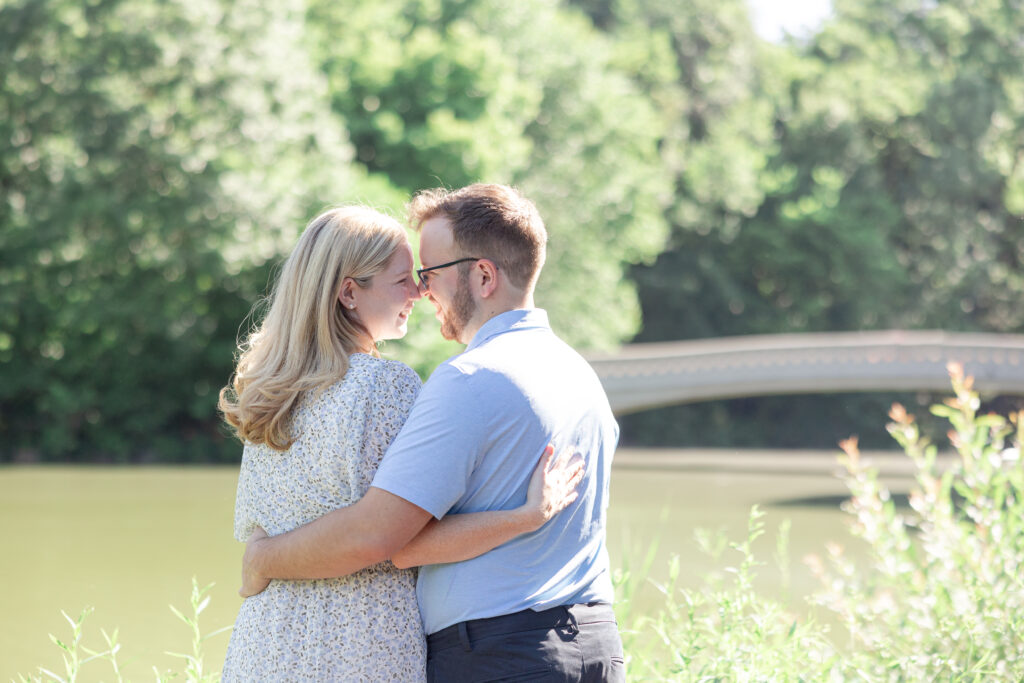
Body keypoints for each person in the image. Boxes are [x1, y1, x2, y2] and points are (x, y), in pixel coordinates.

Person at [241, 184, 625, 682]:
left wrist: (263, 558)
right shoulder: (582, 377)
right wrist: (523, 517)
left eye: (429, 273)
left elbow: (385, 538)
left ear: (483, 276)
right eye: (412, 278)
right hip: (594, 645)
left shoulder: (468, 378)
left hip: (501, 654)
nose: (424, 291)